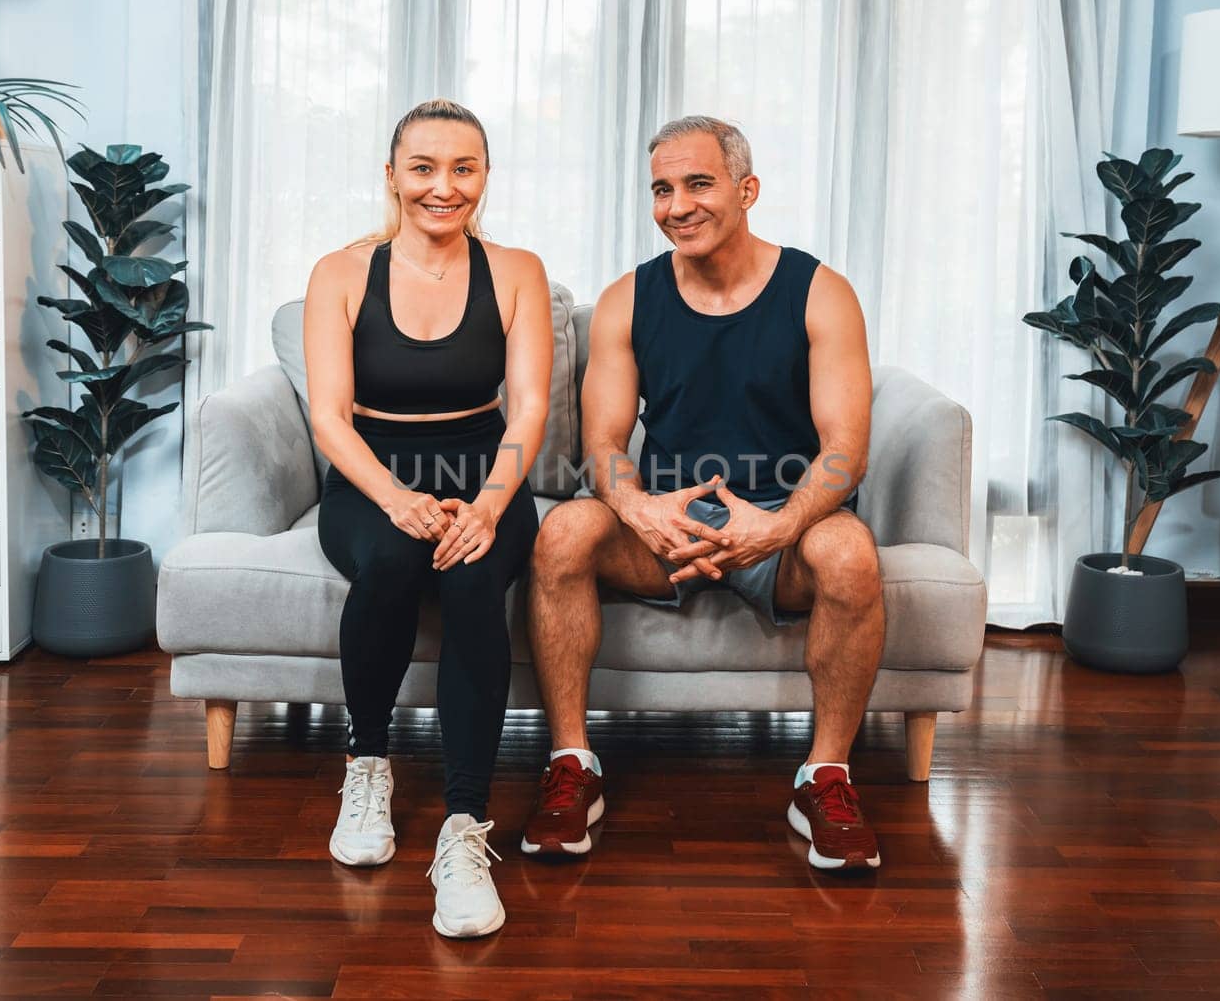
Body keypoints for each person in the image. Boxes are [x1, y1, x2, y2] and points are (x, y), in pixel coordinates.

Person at [523, 115, 886, 871]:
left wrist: (778, 526)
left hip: (780, 526)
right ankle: (571, 766)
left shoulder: (820, 292)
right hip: (669, 528)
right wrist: (642, 509)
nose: (676, 205)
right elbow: (602, 445)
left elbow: (845, 450)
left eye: (697, 183)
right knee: (561, 532)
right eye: (661, 188)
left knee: (850, 553)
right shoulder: (629, 298)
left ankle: (824, 777)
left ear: (746, 189)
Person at [303, 98, 552, 936]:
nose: (443, 187)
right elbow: (330, 420)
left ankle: (463, 827)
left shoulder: (517, 270)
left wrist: (485, 505)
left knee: (474, 575)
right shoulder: (340, 272)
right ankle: (367, 765)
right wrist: (396, 499)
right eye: (424, 168)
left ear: (484, 177)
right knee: (396, 561)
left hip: (483, 473)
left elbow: (530, 407)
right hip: (372, 477)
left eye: (463, 168)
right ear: (392, 175)